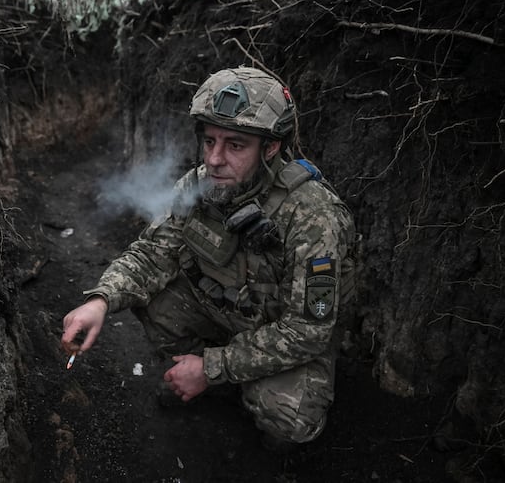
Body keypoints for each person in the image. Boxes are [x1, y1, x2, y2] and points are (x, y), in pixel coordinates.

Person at [61, 66, 355, 452]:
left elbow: (308, 331)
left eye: (235, 145)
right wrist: (100, 300)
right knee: (154, 300)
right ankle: (216, 382)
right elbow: (154, 252)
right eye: (210, 141)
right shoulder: (199, 185)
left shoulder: (311, 217)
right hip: (230, 315)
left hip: (287, 337)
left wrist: (212, 368)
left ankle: (238, 393)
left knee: (288, 417)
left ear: (270, 147)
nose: (215, 159)